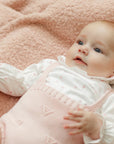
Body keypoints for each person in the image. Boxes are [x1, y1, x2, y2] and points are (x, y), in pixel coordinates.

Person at [0, 21, 114, 144]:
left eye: (97, 49)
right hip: (7, 131)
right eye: (80, 42)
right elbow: (19, 81)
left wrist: (97, 128)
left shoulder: (107, 97)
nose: (83, 49)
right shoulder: (50, 67)